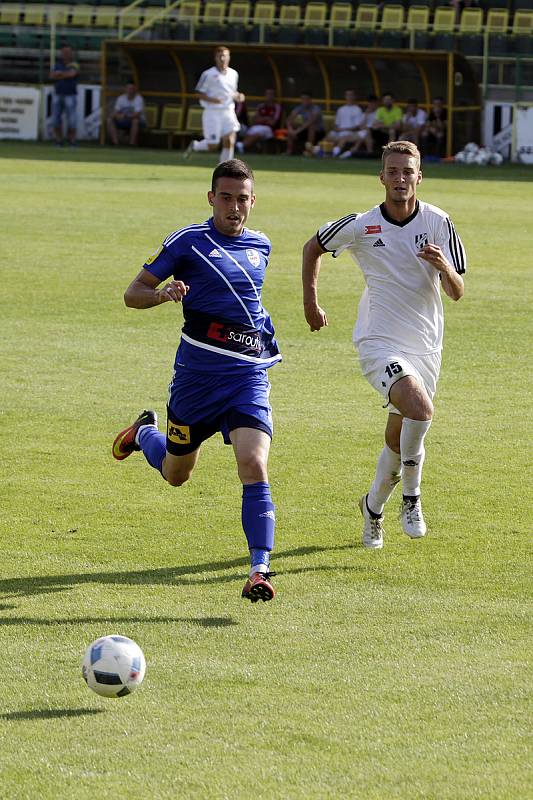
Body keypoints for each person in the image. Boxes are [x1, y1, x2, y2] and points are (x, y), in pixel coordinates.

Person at [112, 159, 281, 603]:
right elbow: (133, 294)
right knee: (175, 474)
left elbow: (247, 306)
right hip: (196, 382)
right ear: (211, 198)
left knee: (254, 464)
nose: (234, 207)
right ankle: (143, 433)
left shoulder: (261, 245)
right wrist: (163, 294)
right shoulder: (188, 242)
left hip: (246, 376)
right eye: (225, 197)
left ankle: (259, 569)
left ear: (253, 201)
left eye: (242, 199)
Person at [301, 140, 466, 549]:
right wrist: (311, 302)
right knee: (421, 409)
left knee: (399, 441)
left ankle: (372, 508)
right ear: (381, 177)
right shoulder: (362, 224)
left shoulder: (439, 222)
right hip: (379, 342)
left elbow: (458, 291)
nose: (400, 178)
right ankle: (412, 498)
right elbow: (313, 246)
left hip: (426, 346)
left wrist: (443, 265)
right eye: (393, 171)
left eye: (407, 171)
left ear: (419, 177)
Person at [184, 45, 244, 163]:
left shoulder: (234, 74)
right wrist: (213, 100)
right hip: (212, 112)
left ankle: (225, 167)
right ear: (215, 58)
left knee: (230, 139)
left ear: (229, 57)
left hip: (228, 111)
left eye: (225, 56)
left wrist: (239, 96)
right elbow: (198, 93)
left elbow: (232, 92)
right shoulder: (208, 74)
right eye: (220, 56)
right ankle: (195, 145)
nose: (222, 58)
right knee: (213, 145)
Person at [306, 89, 364, 158]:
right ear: (345, 96)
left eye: (351, 95)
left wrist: (343, 129)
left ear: (354, 97)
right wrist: (336, 129)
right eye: (347, 95)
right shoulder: (341, 109)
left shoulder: (357, 109)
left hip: (350, 133)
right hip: (339, 132)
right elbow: (336, 124)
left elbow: (357, 127)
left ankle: (333, 154)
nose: (349, 97)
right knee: (328, 136)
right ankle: (315, 150)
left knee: (343, 138)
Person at [49, 44, 79, 147]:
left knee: (72, 120)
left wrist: (59, 74)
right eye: (64, 52)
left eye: (68, 52)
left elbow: (72, 74)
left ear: (71, 53)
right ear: (61, 53)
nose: (66, 54)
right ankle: (58, 141)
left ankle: (72, 141)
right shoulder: (57, 63)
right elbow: (52, 75)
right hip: (58, 94)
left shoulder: (75, 64)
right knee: (55, 120)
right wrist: (65, 74)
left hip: (70, 95)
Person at [338, 94, 380, 159]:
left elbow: (376, 125)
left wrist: (367, 128)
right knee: (345, 137)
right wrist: (366, 114)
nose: (371, 105)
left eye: (373, 103)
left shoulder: (379, 112)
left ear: (377, 103)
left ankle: (353, 152)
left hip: (374, 133)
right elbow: (361, 126)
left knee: (366, 133)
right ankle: (336, 153)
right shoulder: (365, 113)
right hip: (363, 132)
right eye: (370, 103)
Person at [107, 81, 146, 146]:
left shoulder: (139, 99)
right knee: (109, 119)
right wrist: (117, 115)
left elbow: (137, 114)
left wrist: (124, 116)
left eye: (132, 89)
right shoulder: (121, 98)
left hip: (139, 122)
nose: (130, 91)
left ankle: (131, 144)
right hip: (124, 121)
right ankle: (115, 143)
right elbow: (115, 112)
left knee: (135, 120)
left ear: (135, 90)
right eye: (128, 88)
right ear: (125, 89)